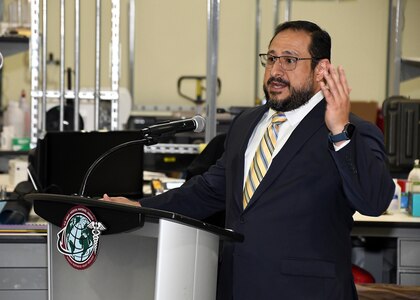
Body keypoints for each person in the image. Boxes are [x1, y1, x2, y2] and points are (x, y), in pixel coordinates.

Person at [103, 20, 395, 300]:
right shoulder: (247, 123)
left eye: (289, 60)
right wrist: (141, 207)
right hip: (237, 286)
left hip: (306, 292)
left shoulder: (353, 129)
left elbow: (373, 201)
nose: (275, 71)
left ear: (321, 70)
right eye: (270, 59)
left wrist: (340, 132)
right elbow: (208, 191)